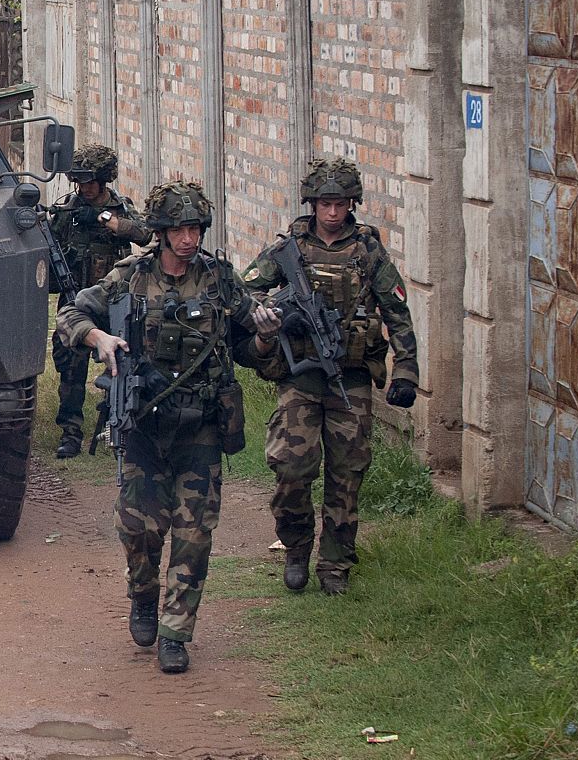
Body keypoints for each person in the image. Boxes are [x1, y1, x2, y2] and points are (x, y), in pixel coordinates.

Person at [54, 180, 280, 674]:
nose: (188, 238)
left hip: (200, 428)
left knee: (194, 534)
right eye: (178, 228)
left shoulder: (221, 281)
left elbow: (249, 348)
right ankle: (142, 596)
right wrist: (100, 339)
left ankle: (177, 631)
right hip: (144, 427)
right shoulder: (128, 279)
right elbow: (69, 315)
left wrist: (264, 339)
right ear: (160, 232)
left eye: (195, 227)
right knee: (139, 530)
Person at [242, 157, 418, 596]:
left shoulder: (368, 251)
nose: (333, 214)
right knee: (290, 471)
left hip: (350, 378)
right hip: (301, 379)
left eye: (340, 204)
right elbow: (246, 290)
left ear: (351, 203)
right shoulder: (290, 249)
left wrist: (407, 371)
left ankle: (335, 565)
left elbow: (397, 312)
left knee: (347, 474)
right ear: (313, 204)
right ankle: (297, 546)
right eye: (324, 204)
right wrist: (278, 315)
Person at [48, 144, 152, 459]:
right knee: (70, 366)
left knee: (128, 362)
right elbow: (49, 246)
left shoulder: (119, 208)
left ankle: (124, 427)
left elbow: (144, 233)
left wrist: (102, 216)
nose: (84, 189)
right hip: (78, 300)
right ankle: (71, 432)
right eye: (79, 182)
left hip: (116, 302)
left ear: (104, 179)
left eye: (90, 182)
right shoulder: (69, 209)